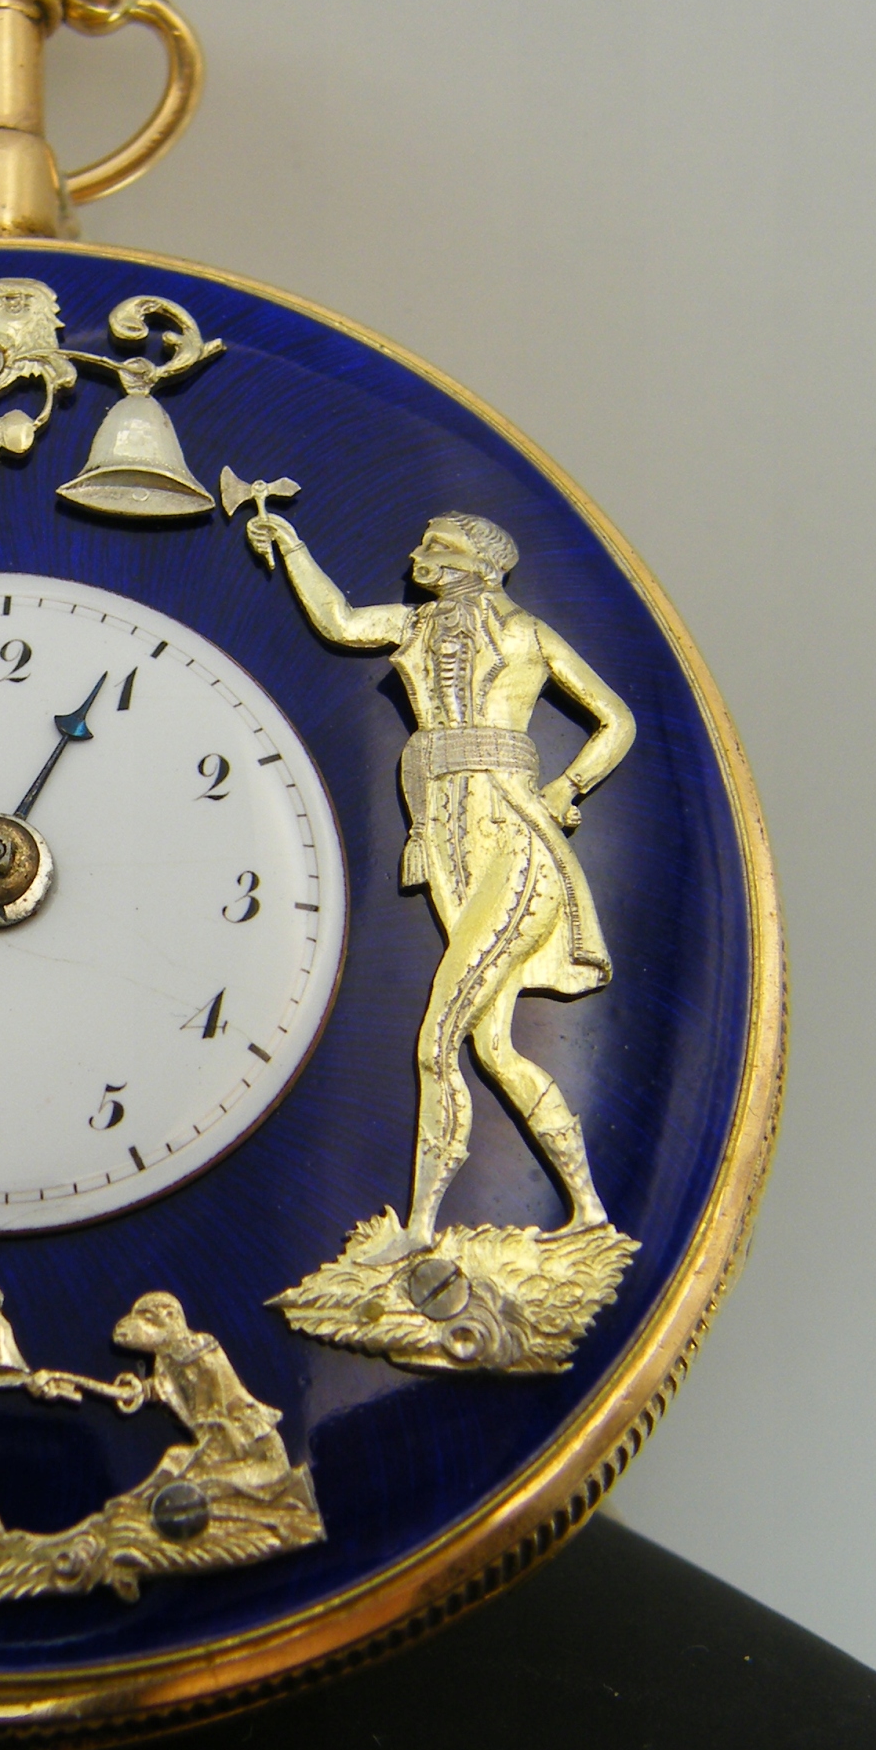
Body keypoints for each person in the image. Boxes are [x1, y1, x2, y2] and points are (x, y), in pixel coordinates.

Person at [247, 508, 634, 1260]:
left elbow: (615, 720)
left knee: (438, 1039)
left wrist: (567, 788)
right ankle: (589, 1209)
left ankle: (421, 1228)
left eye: (437, 546)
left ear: (477, 563)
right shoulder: (417, 625)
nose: (419, 556)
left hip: (514, 843)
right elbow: (340, 622)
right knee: (493, 1047)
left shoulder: (526, 634)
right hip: (446, 846)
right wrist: (292, 546)